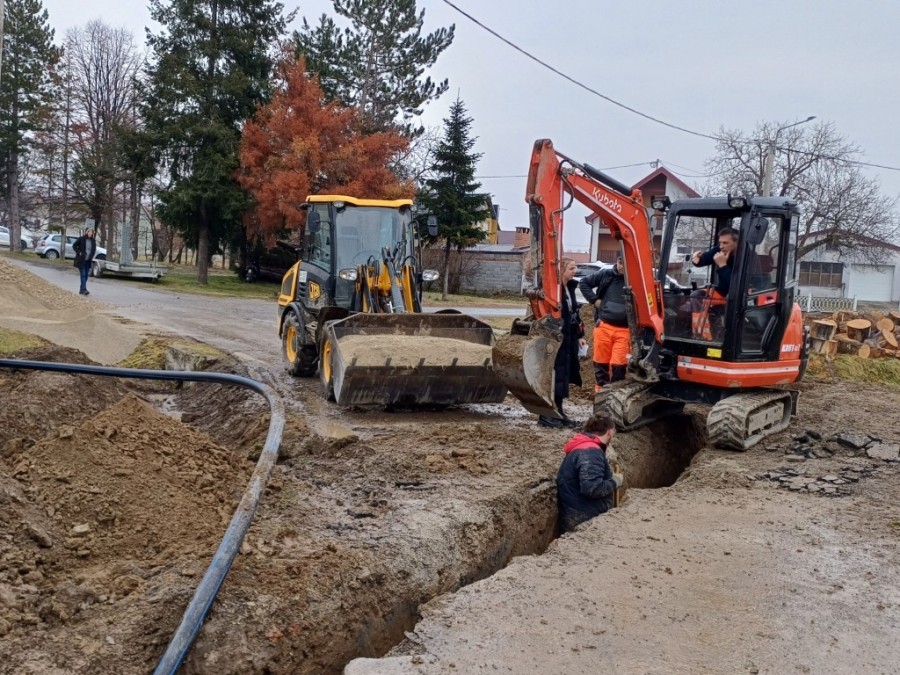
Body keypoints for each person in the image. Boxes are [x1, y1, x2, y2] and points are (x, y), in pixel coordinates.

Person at [539, 258, 587, 429]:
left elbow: (574, 313)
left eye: (575, 268)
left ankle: (558, 410)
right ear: (561, 270)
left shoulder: (569, 289)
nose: (574, 271)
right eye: (571, 268)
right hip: (556, 339)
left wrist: (580, 334)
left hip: (568, 339)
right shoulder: (555, 291)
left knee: (562, 376)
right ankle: (546, 413)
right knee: (553, 375)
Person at [556, 411, 624, 533]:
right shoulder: (591, 452)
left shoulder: (583, 446)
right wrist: (615, 481)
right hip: (584, 519)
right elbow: (592, 488)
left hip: (576, 513)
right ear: (610, 432)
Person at [578, 256, 630, 393]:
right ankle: (601, 392)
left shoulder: (636, 280)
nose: (621, 267)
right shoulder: (606, 274)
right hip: (604, 325)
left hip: (625, 330)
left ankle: (614, 393)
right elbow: (583, 283)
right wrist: (594, 300)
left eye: (625, 264)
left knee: (618, 364)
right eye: (620, 263)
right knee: (601, 361)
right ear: (617, 261)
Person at [689, 226, 738, 340]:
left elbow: (734, 285)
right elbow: (705, 258)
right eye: (720, 242)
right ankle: (701, 336)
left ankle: (716, 338)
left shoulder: (747, 257)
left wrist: (722, 265)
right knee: (696, 296)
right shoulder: (720, 250)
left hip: (738, 295)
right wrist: (697, 259)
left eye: (725, 243)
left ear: (737, 242)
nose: (721, 246)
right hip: (721, 293)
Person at [72, 227, 98, 296]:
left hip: (88, 260)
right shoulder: (81, 239)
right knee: (83, 274)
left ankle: (81, 290)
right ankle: (84, 289)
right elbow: (74, 246)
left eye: (91, 232)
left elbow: (94, 250)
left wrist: (91, 256)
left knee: (86, 275)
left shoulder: (93, 240)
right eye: (89, 232)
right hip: (81, 260)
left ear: (93, 233)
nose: (90, 233)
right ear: (86, 232)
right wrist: (79, 252)